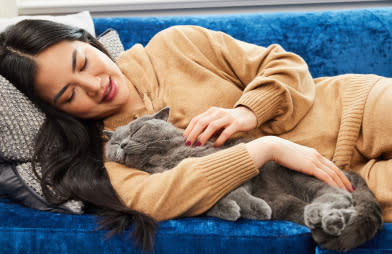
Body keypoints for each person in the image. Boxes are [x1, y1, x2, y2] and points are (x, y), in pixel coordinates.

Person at [0, 19, 390, 249]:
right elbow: (158, 199)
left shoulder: (176, 43)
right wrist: (264, 150)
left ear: (89, 42)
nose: (93, 85)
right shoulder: (111, 156)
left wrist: (247, 113)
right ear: (59, 111)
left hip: (351, 106)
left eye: (83, 63)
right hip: (338, 184)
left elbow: (285, 65)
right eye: (70, 95)